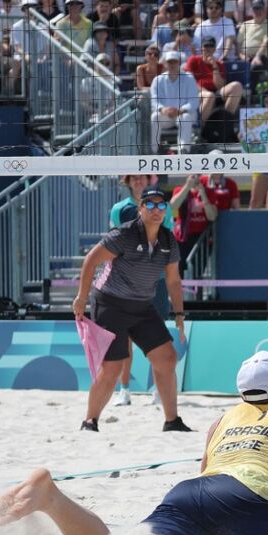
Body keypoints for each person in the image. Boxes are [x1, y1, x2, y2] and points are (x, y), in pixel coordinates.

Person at [0, 351, 268, 535]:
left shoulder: (221, 421)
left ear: (243, 396)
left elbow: (207, 477)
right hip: (250, 496)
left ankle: (52, 498)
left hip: (188, 495)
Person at [74, 185, 190, 433]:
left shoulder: (169, 240)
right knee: (113, 366)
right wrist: (81, 298)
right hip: (110, 303)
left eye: (161, 205)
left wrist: (179, 313)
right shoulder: (124, 234)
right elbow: (91, 260)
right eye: (150, 204)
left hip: (141, 305)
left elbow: (173, 280)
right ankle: (90, 421)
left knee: (166, 357)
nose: (156, 209)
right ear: (140, 208)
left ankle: (172, 421)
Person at [108, 174, 175, 406]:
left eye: (142, 178)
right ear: (128, 181)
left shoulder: (163, 209)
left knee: (158, 338)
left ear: (149, 180)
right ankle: (124, 390)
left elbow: (167, 243)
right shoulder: (119, 210)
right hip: (126, 285)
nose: (138, 181)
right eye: (134, 178)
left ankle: (158, 389)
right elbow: (115, 245)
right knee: (123, 337)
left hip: (154, 282)